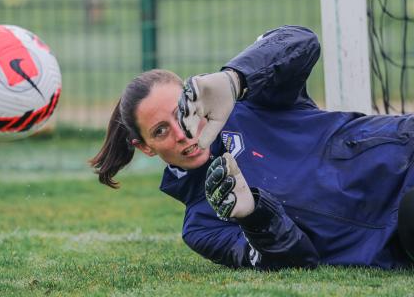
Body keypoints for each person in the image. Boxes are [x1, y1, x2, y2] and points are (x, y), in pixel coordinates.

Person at [90, 25, 414, 270]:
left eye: (181, 113)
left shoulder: (254, 100)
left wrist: (233, 80)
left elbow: (302, 41)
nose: (182, 133)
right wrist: (256, 216)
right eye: (161, 130)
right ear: (145, 147)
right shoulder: (201, 225)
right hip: (399, 234)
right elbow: (297, 259)